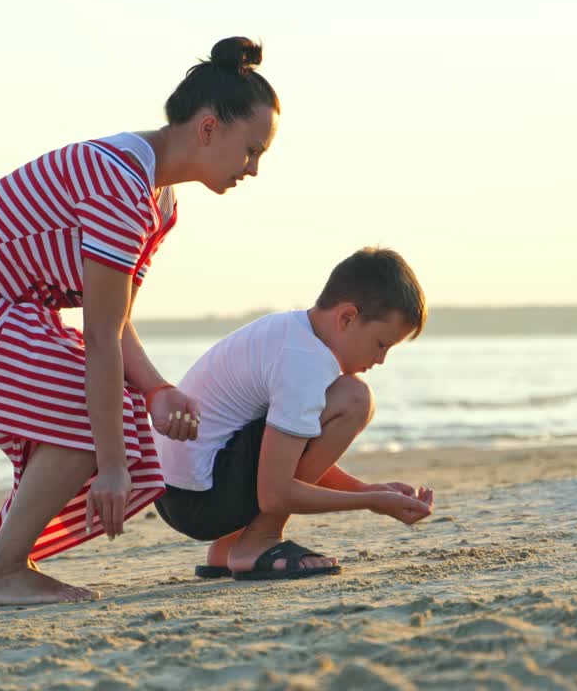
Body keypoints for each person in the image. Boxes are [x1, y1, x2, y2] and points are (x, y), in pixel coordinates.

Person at [0, 37, 279, 605]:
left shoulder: (158, 202)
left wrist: (157, 389)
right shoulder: (119, 187)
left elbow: (112, 322)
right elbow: (98, 340)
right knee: (84, 406)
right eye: (251, 150)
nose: (253, 168)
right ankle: (4, 571)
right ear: (209, 128)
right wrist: (111, 466)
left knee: (110, 403)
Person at [154, 247, 435, 580]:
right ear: (346, 318)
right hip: (202, 500)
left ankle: (227, 548)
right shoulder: (305, 362)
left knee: (325, 405)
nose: (381, 360)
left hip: (177, 493)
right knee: (355, 398)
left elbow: (288, 452)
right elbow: (275, 493)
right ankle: (259, 541)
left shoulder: (291, 332)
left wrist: (364, 489)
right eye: (381, 344)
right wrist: (371, 502)